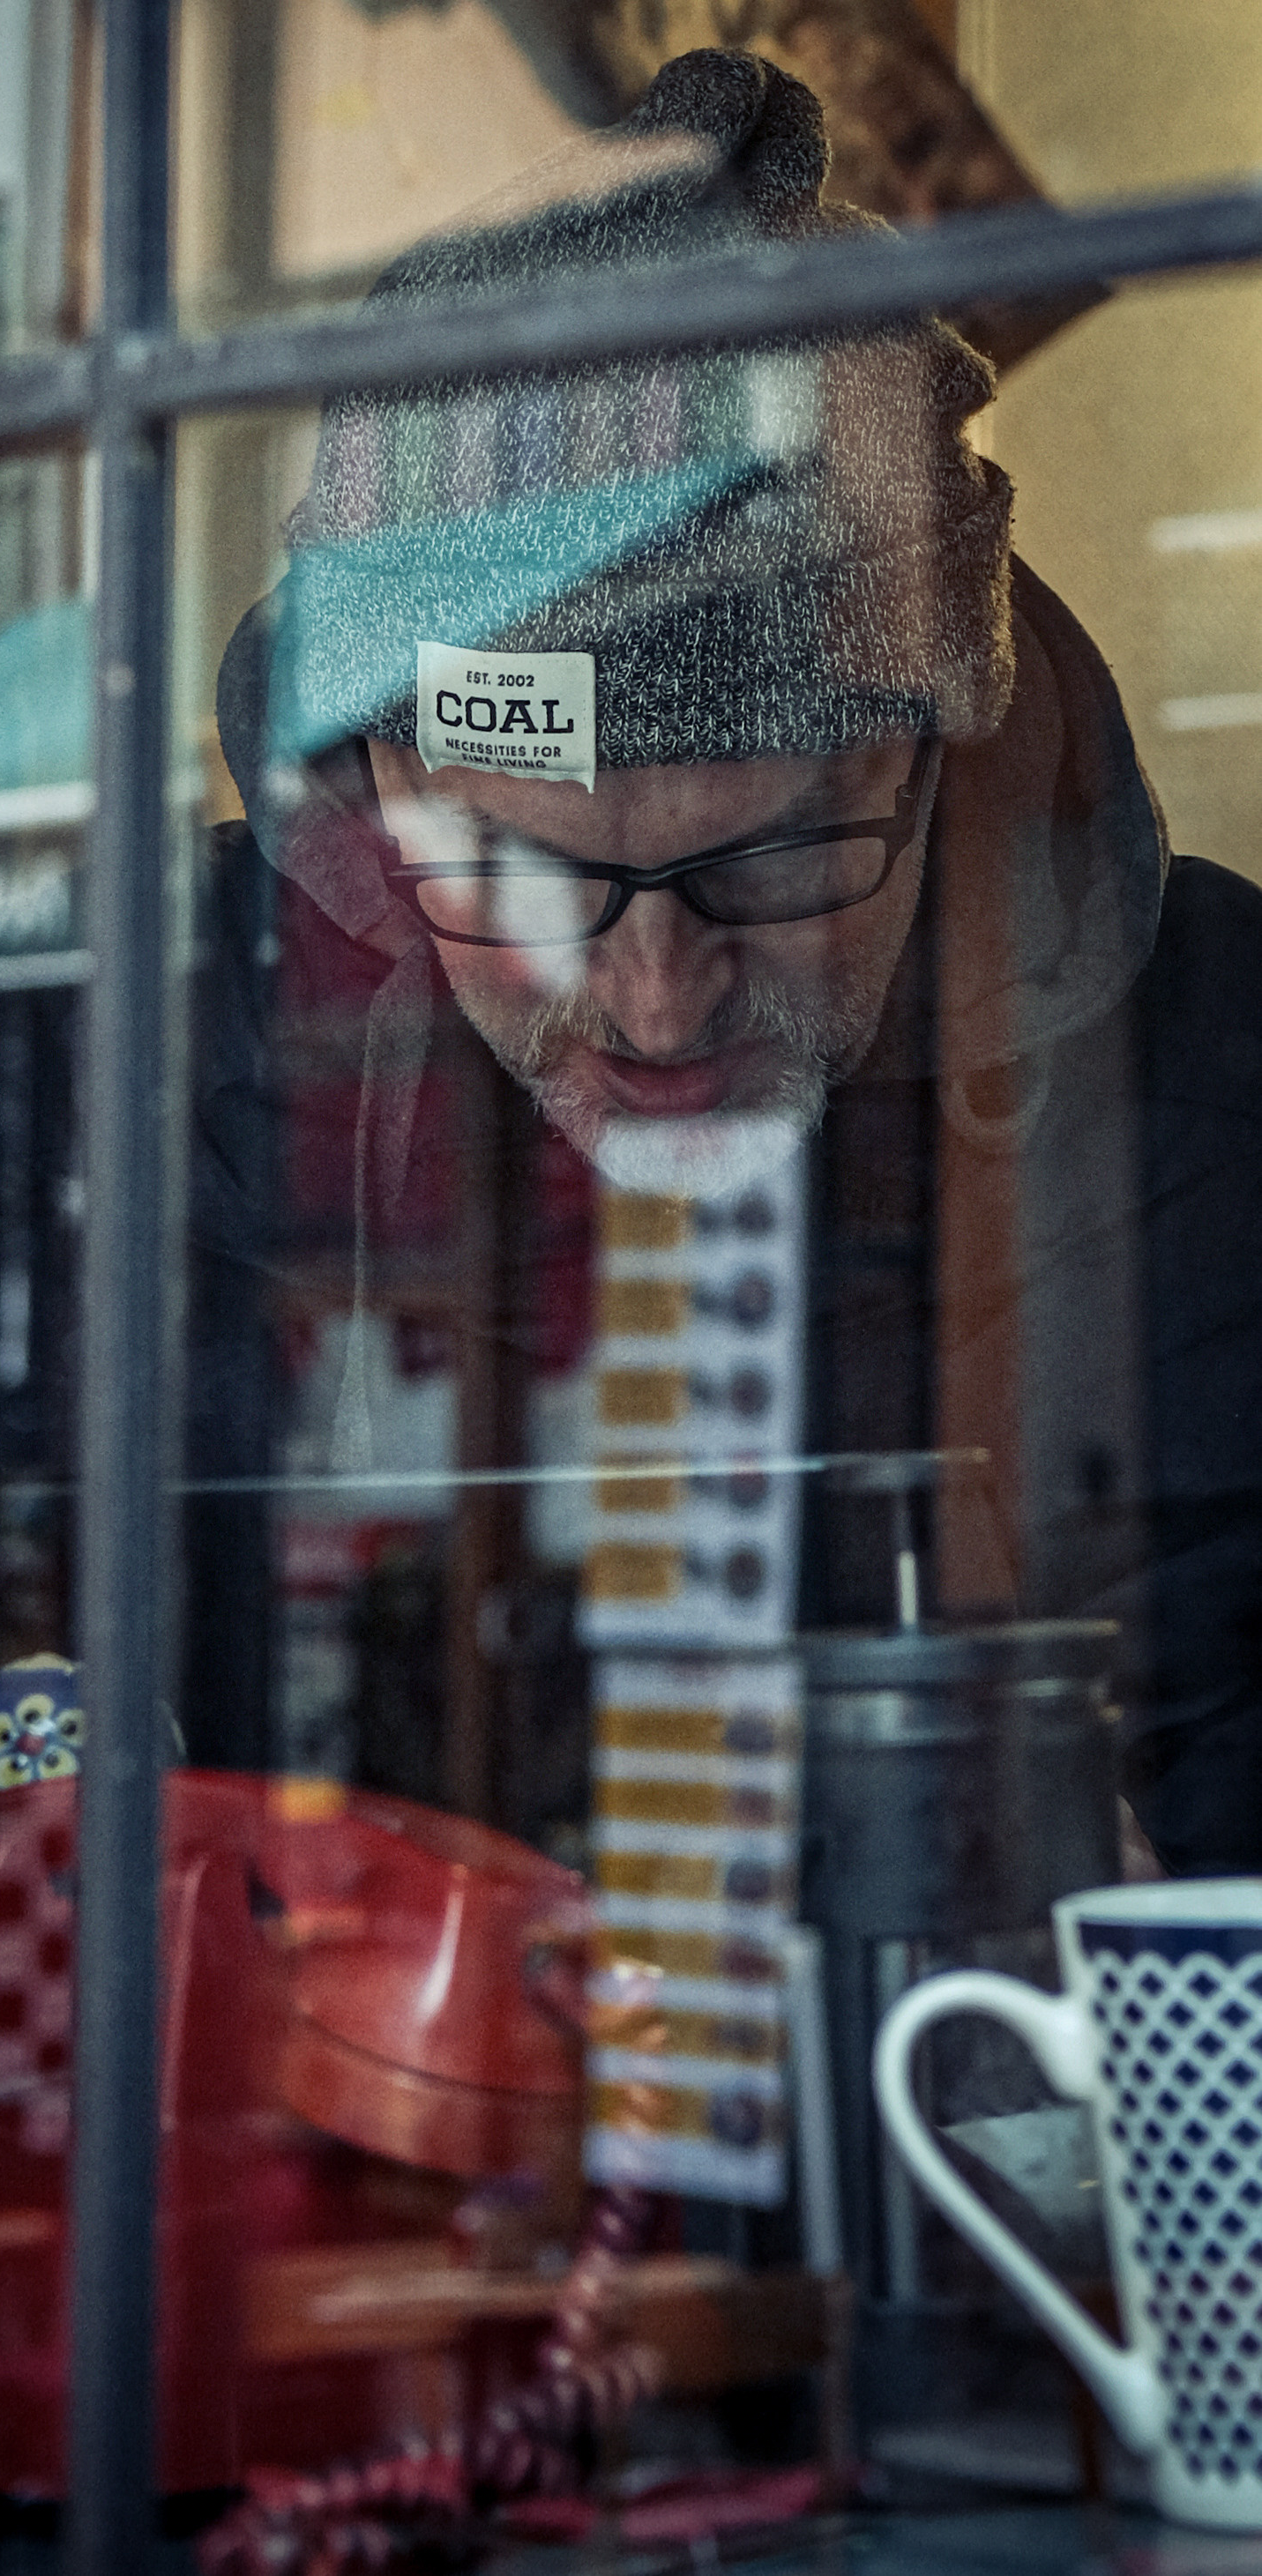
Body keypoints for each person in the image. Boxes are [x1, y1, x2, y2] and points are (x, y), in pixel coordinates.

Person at [206, 46, 1262, 1877]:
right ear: (376, 775)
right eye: (518, 878)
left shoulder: (1223, 1069)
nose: (654, 1002)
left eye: (772, 862)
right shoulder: (196, 1029)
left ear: (937, 748)